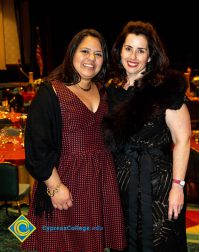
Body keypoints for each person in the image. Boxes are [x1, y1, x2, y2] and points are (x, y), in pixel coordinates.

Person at [22, 28, 126, 252]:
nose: (91, 58)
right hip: (63, 180)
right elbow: (36, 145)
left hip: (99, 179)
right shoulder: (51, 92)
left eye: (98, 54)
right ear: (72, 54)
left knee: (91, 244)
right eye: (85, 51)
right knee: (58, 243)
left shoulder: (104, 91)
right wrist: (54, 187)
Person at [103, 21, 191, 252]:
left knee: (160, 244)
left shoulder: (165, 87)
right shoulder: (108, 90)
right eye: (128, 48)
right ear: (119, 51)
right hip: (121, 186)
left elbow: (183, 139)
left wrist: (178, 186)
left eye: (141, 50)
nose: (133, 56)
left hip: (159, 188)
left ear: (150, 56)